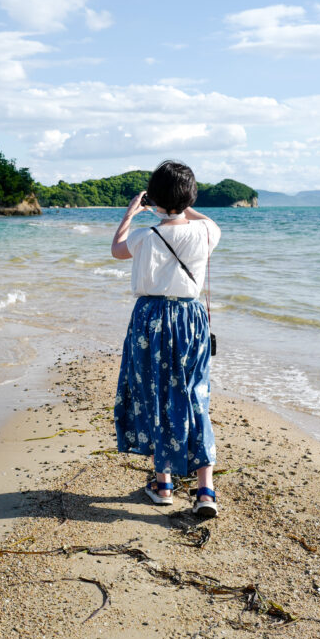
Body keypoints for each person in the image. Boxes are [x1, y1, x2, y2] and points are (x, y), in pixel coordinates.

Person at [111, 160, 221, 517]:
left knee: (156, 395)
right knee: (195, 395)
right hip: (191, 319)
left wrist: (132, 211)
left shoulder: (143, 236)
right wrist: (181, 203)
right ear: (190, 197)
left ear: (154, 198)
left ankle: (164, 484)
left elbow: (117, 248)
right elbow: (200, 219)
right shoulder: (206, 232)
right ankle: (205, 491)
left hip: (150, 320)